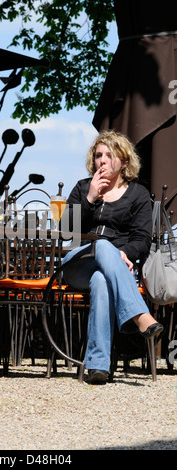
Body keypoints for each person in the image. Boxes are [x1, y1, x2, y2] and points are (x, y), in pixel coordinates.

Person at [63, 130, 163, 384]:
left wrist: (124, 253)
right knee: (103, 246)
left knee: (101, 280)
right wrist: (89, 199)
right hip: (77, 262)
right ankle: (139, 316)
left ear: (125, 162)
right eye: (98, 155)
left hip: (113, 269)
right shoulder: (82, 188)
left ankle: (97, 366)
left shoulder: (138, 195)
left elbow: (141, 240)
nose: (102, 161)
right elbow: (66, 233)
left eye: (110, 155)